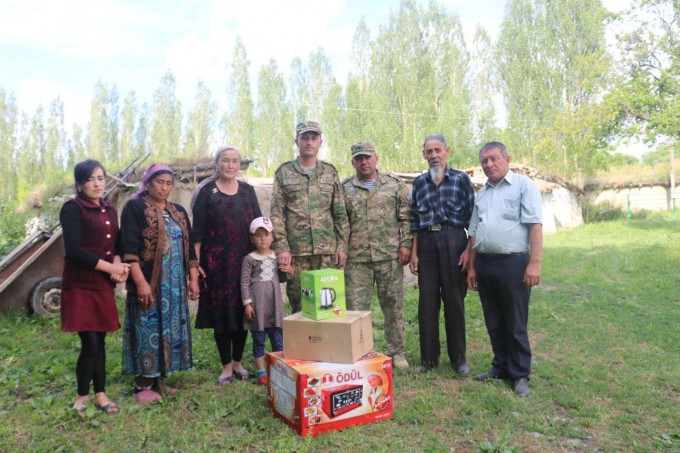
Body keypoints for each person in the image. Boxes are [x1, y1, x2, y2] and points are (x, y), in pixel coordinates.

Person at [466, 142, 543, 397]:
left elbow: (534, 226)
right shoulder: (482, 194)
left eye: (494, 159)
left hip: (514, 263)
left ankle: (520, 374)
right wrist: (473, 268)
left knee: (515, 321)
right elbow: (474, 232)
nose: (489, 165)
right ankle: (499, 366)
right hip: (486, 263)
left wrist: (535, 262)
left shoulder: (523, 187)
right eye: (484, 161)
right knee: (494, 319)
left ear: (507, 159)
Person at [120, 163, 198, 403]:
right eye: (159, 182)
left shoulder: (178, 211)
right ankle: (142, 383)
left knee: (170, 329)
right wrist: (141, 283)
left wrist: (193, 279)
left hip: (174, 287)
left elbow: (190, 250)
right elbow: (129, 250)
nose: (164, 188)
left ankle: (160, 379)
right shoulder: (135, 208)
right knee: (147, 327)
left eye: (168, 183)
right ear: (147, 183)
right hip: (150, 284)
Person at [60, 159, 129, 414]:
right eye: (90, 179)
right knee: (89, 342)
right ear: (80, 183)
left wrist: (119, 269)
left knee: (99, 340)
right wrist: (111, 268)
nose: (97, 183)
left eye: (100, 178)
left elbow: (117, 245)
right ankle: (81, 396)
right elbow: (74, 251)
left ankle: (100, 394)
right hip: (80, 285)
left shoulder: (109, 209)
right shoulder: (73, 208)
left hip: (102, 285)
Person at [190, 146, 261, 385]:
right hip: (215, 264)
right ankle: (226, 366)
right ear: (217, 164)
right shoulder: (206, 192)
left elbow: (259, 227)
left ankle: (239, 362)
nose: (230, 165)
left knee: (244, 311)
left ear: (239, 165)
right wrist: (195, 264)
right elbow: (197, 231)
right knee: (221, 313)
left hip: (245, 262)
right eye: (225, 161)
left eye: (234, 161)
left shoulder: (248, 191)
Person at [342, 141, 412, 369]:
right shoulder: (344, 189)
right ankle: (360, 352)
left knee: (393, 306)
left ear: (376, 159)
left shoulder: (394, 186)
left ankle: (397, 352)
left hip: (389, 257)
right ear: (353, 162)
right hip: (357, 260)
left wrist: (406, 244)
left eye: (368, 157)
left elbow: (407, 218)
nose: (364, 162)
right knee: (356, 311)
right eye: (359, 158)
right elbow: (341, 223)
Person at [409, 134, 475, 375]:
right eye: (429, 151)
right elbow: (415, 220)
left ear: (447, 151)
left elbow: (473, 220)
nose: (434, 155)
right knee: (427, 304)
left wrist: (468, 250)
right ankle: (428, 359)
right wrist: (415, 252)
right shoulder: (418, 183)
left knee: (454, 302)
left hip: (454, 241)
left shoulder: (461, 180)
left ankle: (459, 359)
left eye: (438, 150)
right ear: (424, 154)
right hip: (427, 243)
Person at [270, 120, 350, 313]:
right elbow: (277, 213)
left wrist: (342, 246)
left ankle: (327, 342)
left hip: (326, 253)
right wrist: (282, 248)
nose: (309, 142)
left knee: (329, 306)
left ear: (320, 142)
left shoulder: (330, 173)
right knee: (300, 306)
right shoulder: (284, 172)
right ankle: (303, 343)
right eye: (304, 138)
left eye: (314, 138)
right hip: (297, 254)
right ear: (296, 141)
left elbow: (339, 213)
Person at [241, 217, 294, 386]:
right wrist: (247, 304)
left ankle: (280, 368)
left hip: (274, 304)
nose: (263, 238)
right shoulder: (249, 259)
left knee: (278, 338)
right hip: (258, 306)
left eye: (266, 234)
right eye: (258, 235)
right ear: (252, 238)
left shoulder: (277, 257)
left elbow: (284, 277)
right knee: (258, 338)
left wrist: (290, 270)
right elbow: (244, 282)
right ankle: (260, 371)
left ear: (272, 237)